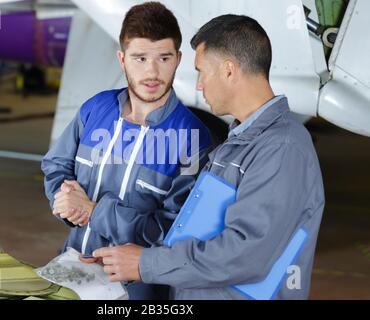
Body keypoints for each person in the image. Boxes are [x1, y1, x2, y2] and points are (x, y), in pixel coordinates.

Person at [91, 14, 325, 300]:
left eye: (202, 71)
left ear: (229, 70)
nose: (199, 85)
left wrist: (145, 263)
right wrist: (126, 258)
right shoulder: (241, 141)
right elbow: (198, 228)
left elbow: (245, 254)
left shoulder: (282, 149)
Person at [41, 2, 212, 300]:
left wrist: (95, 212)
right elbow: (56, 166)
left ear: (178, 59)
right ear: (122, 59)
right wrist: (67, 202)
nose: (152, 71)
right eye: (140, 58)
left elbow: (173, 232)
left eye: (164, 57)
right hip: (72, 270)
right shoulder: (95, 109)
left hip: (137, 291)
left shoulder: (192, 138)